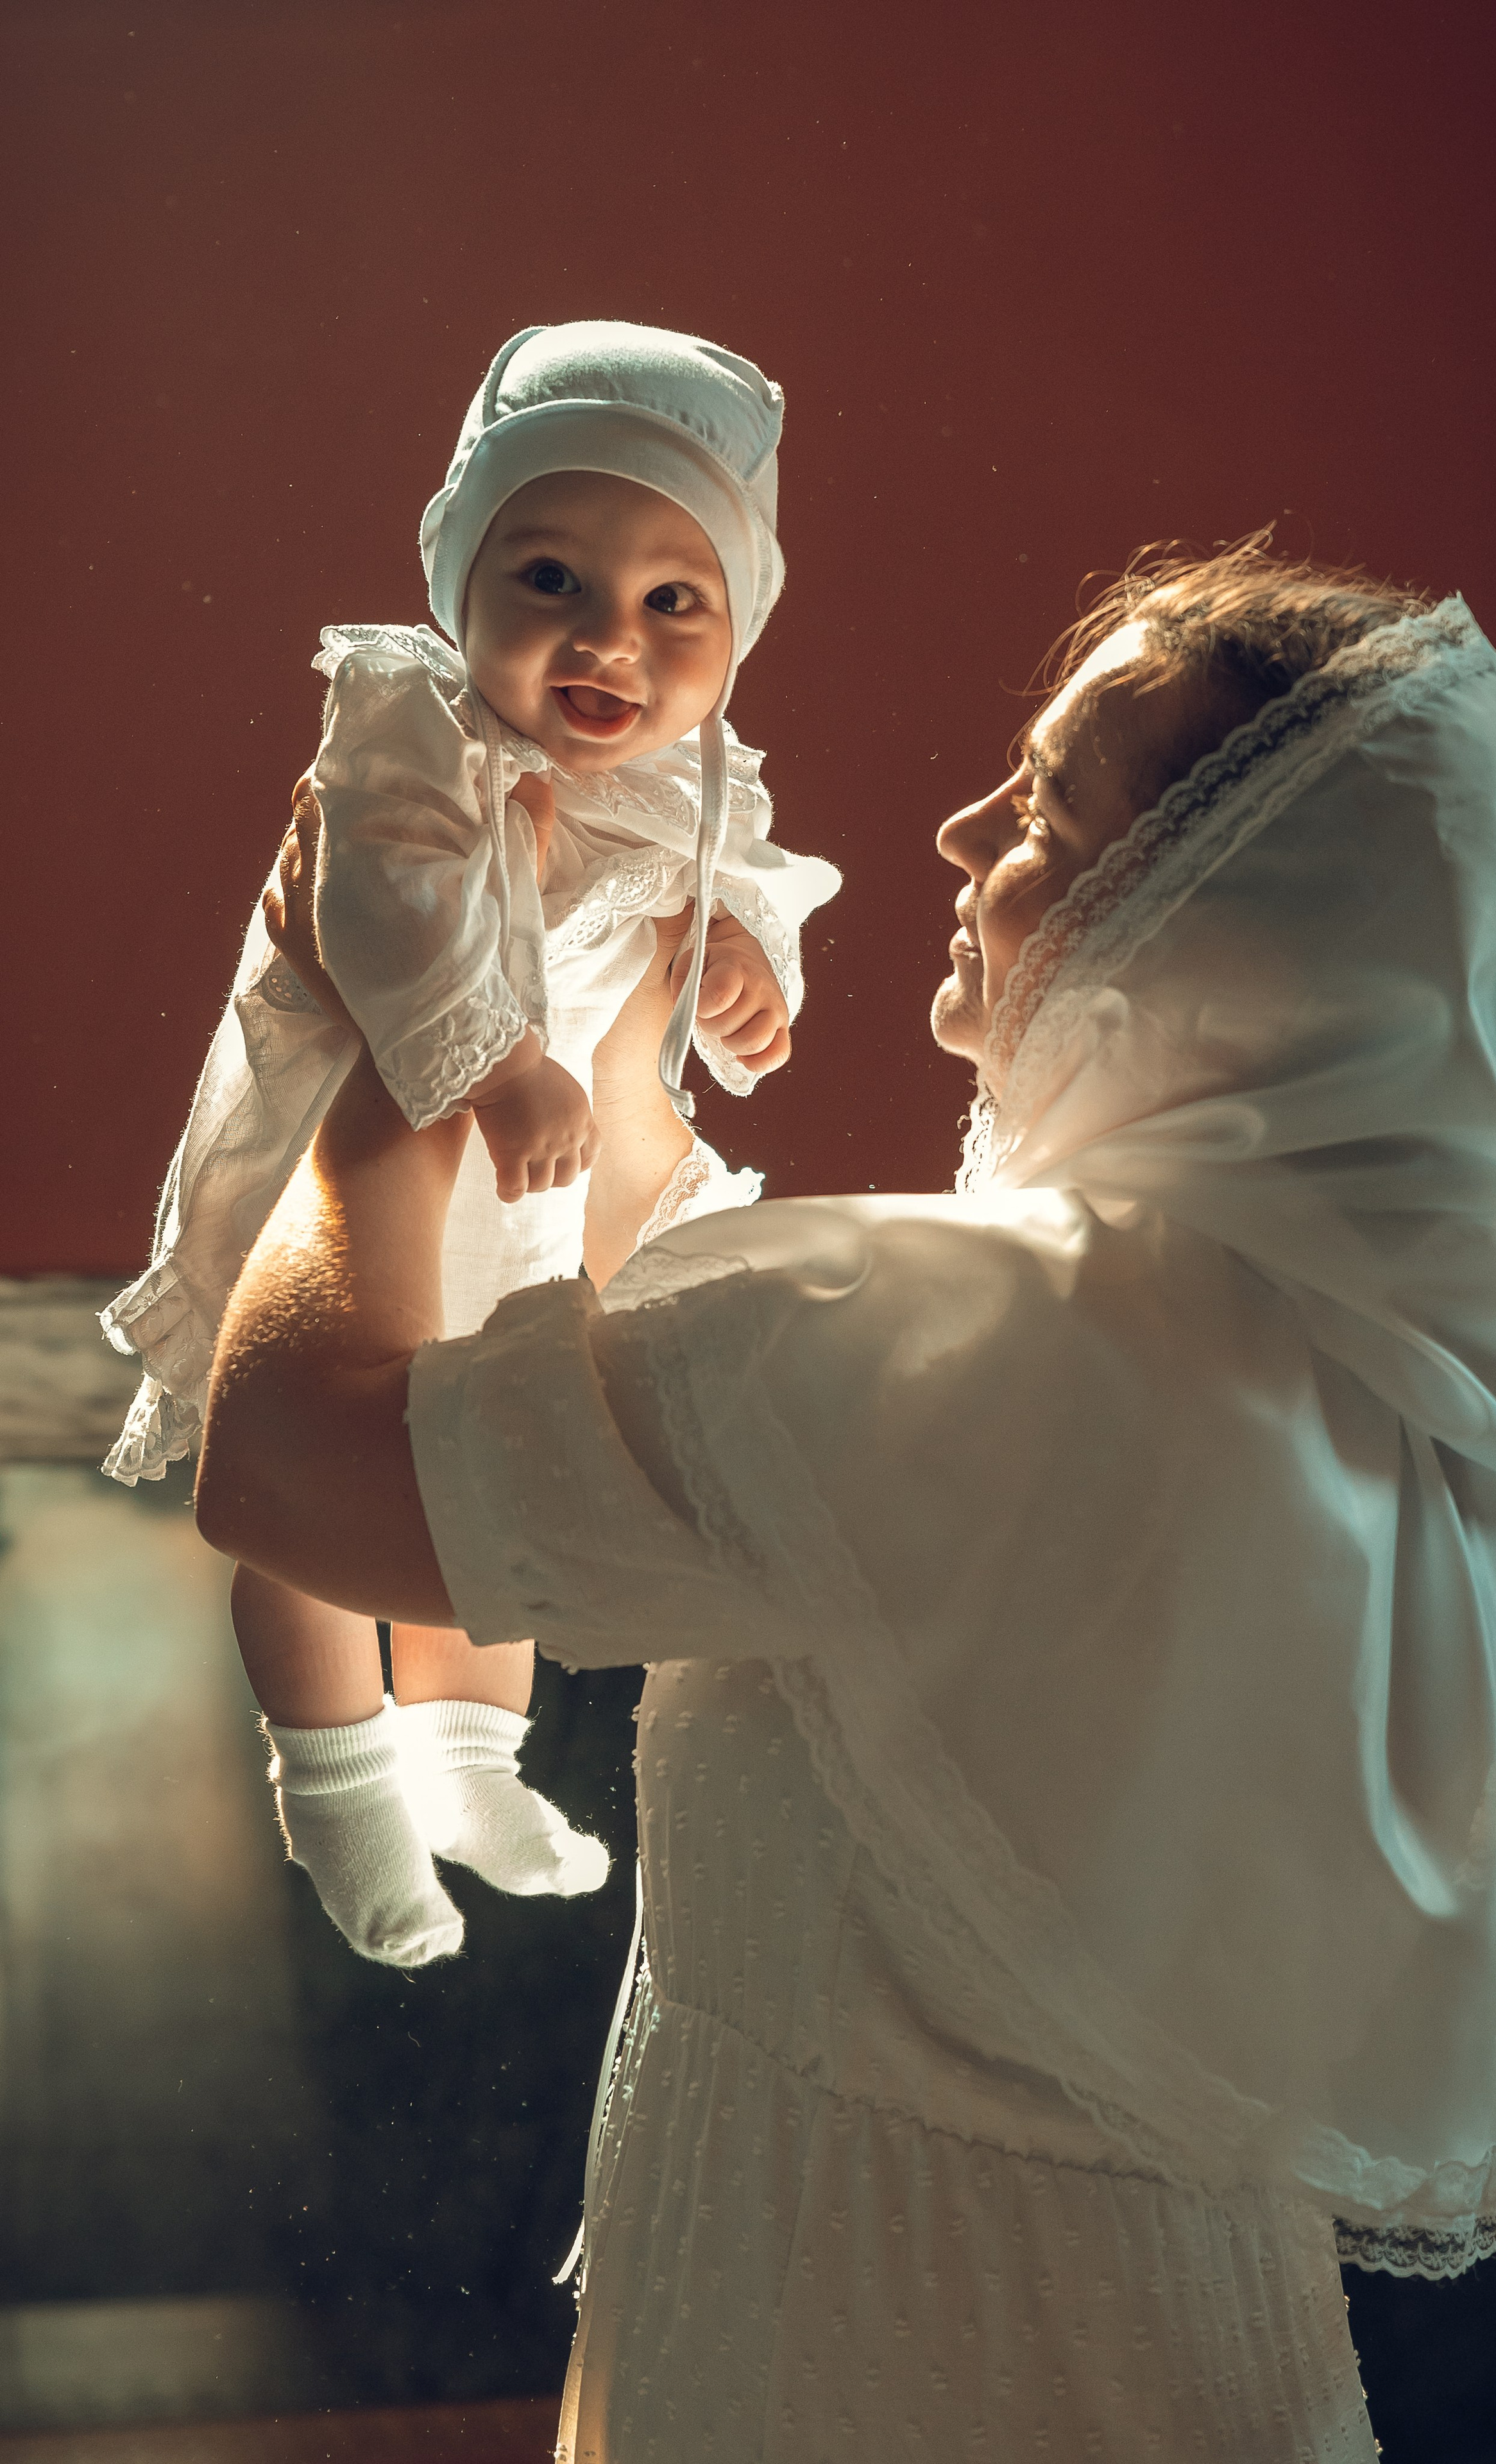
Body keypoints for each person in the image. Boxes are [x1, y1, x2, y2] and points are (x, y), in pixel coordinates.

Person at [196, 545, 1496, 2458]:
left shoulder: (974, 1345)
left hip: (865, 2355)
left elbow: (287, 1461)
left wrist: (394, 1030)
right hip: (1189, 2358)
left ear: (1223, 931)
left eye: (1044, 804)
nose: (962, 830)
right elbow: (670, 1381)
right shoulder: (1381, 1402)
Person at [101, 321, 838, 1967]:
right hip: (360, 1156)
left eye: (673, 604)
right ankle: (338, 1778)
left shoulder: (693, 786)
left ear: (736, 634)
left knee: (467, 1497)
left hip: (535, 1193)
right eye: (552, 578)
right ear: (461, 579)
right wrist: (495, 1065)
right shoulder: (409, 732)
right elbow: (391, 907)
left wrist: (739, 967)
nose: (609, 640)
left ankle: (471, 1766)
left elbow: (741, 897)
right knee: (304, 1521)